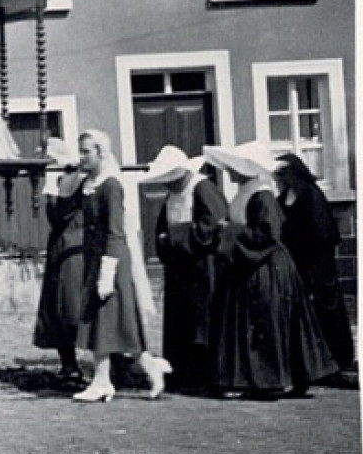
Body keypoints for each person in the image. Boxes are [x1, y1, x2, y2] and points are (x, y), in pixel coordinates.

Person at [203, 142, 338, 400]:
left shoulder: (262, 195)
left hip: (266, 268)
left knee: (264, 322)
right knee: (253, 323)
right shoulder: (248, 191)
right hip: (248, 266)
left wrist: (229, 231)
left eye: (232, 167)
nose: (229, 172)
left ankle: (269, 379)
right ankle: (256, 378)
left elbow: (269, 233)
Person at [72, 130, 171, 402]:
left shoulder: (111, 185)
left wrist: (107, 273)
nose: (81, 157)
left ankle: (104, 380)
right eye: (80, 151)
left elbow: (116, 232)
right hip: (95, 258)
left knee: (107, 319)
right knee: (108, 321)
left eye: (86, 152)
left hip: (111, 259)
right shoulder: (88, 184)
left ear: (101, 153)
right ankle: (144, 367)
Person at [142, 145, 229, 392]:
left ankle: (207, 375)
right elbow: (163, 226)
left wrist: (176, 236)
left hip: (203, 266)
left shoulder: (202, 188)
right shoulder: (172, 195)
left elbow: (212, 226)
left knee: (202, 322)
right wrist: (164, 240)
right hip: (181, 267)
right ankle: (183, 373)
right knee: (181, 322)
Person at [274, 153, 355, 373]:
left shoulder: (310, 194)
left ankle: (340, 359)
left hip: (318, 263)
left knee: (327, 310)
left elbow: (321, 233)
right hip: (300, 261)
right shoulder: (286, 195)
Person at [31, 137, 87, 384]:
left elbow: (58, 215)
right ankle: (69, 364)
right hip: (61, 244)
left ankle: (106, 363)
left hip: (73, 246)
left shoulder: (70, 181)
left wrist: (53, 189)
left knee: (70, 305)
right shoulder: (63, 180)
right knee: (58, 304)